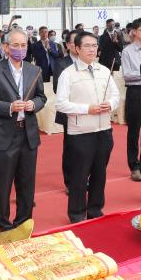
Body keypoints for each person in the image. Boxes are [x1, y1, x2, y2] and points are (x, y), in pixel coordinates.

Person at [0, 29, 46, 231]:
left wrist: (33, 105)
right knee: (3, 185)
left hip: (28, 134)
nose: (20, 49)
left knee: (27, 183)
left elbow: (42, 97)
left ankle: (24, 223)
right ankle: (5, 225)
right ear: (6, 47)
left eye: (24, 45)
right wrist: (9, 107)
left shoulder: (34, 70)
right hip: (3, 135)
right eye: (16, 45)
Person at [55, 31, 119, 223]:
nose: (92, 49)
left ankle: (95, 211)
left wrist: (111, 104)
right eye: (87, 46)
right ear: (76, 48)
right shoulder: (68, 74)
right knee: (79, 177)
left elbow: (116, 96)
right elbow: (60, 104)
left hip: (104, 131)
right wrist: (87, 109)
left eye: (94, 45)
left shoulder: (104, 70)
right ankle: (76, 214)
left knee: (100, 174)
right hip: (81, 133)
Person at [120, 18, 141, 182]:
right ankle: (134, 166)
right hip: (135, 92)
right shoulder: (127, 51)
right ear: (134, 32)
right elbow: (127, 74)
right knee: (134, 132)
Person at [53, 29, 79, 192]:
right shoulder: (61, 63)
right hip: (70, 111)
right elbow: (57, 88)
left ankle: (84, 179)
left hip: (88, 113)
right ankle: (70, 182)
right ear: (68, 45)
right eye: (75, 41)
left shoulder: (91, 63)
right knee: (71, 148)